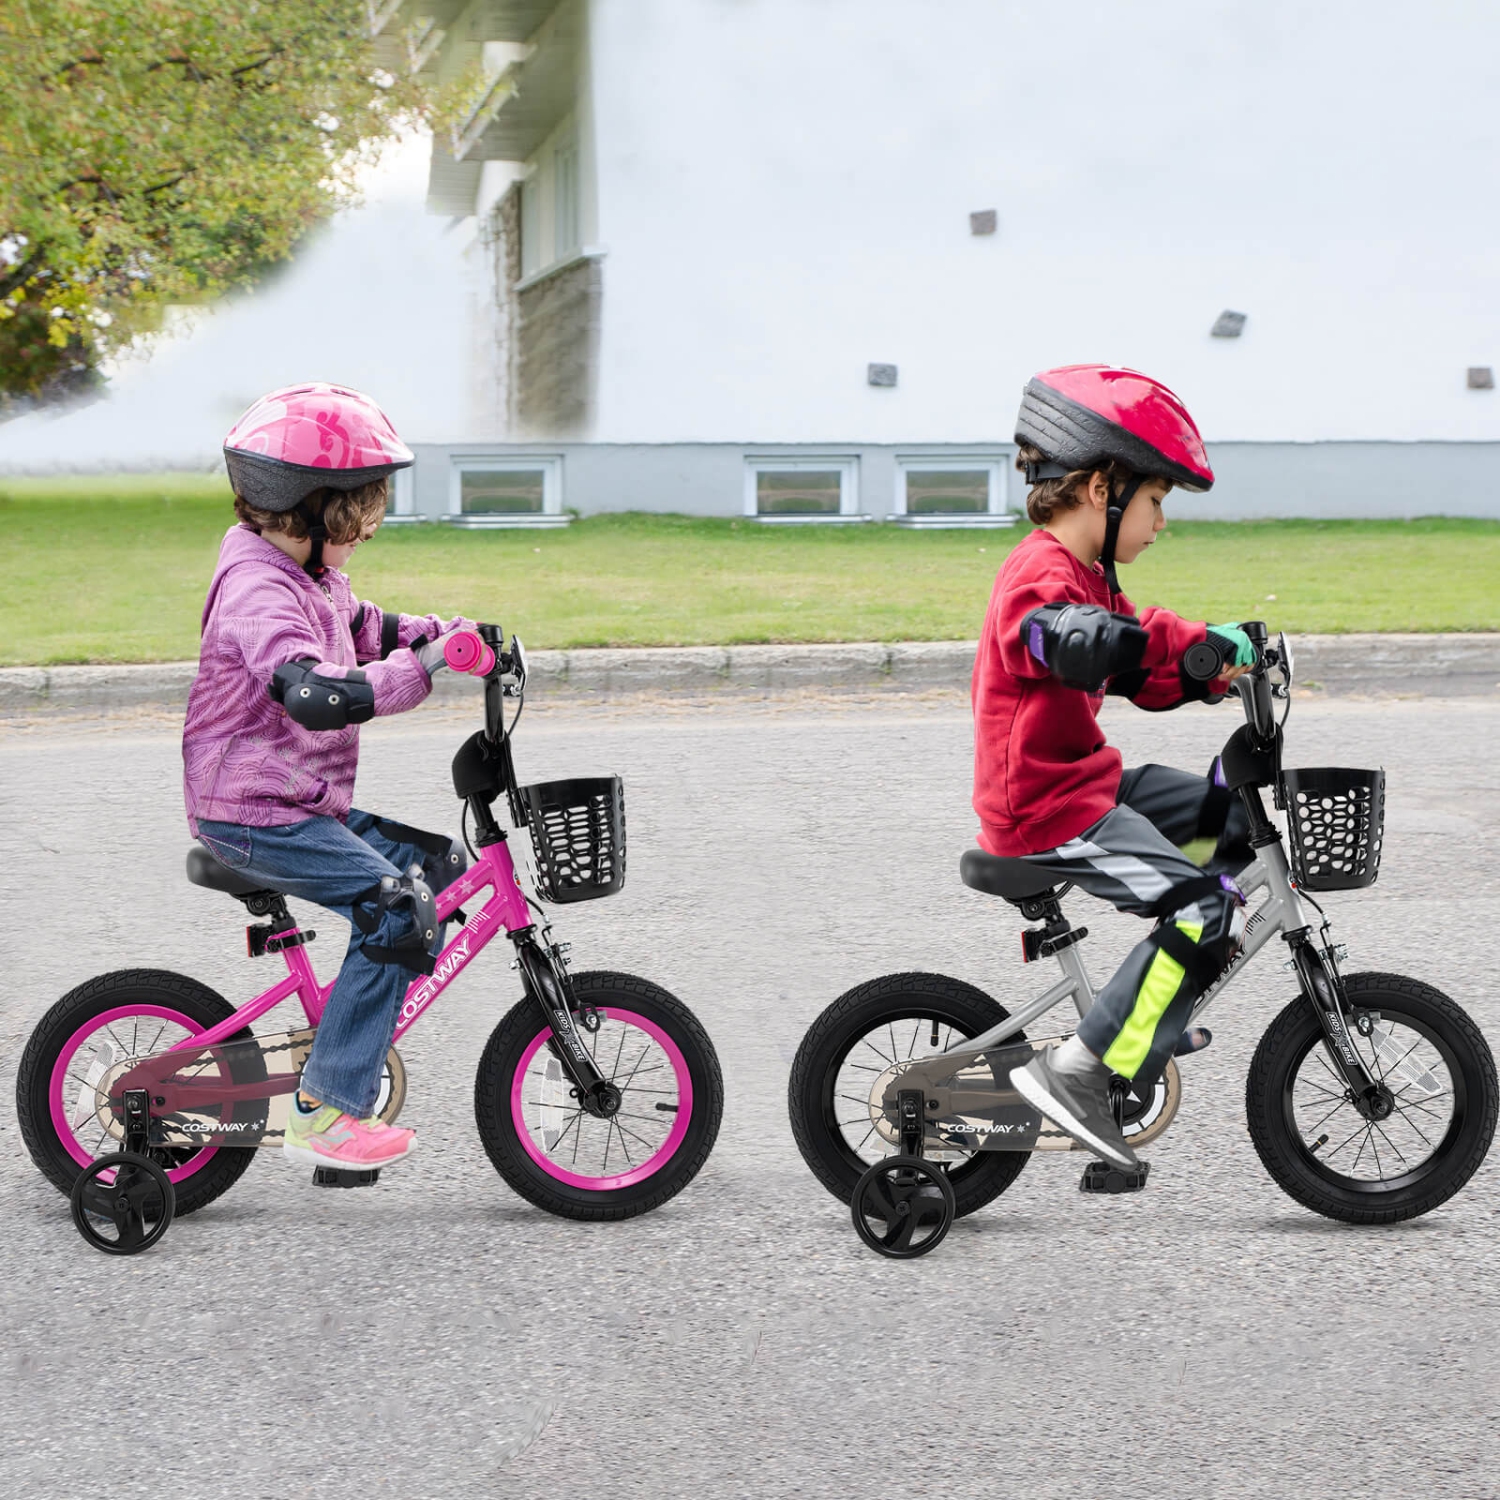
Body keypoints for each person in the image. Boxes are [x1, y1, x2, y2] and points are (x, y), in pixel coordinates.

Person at [971, 364, 1258, 1171]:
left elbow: (1146, 659)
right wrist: (1087, 638)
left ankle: (1155, 1002)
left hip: (1087, 783)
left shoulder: (1093, 578)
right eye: (1158, 500)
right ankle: (1085, 1071)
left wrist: (1218, 657)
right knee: (1202, 912)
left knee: (1232, 826)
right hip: (1047, 808)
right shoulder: (1041, 574)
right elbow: (1053, 634)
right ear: (1103, 488)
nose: (1162, 522)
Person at [183, 382, 476, 1173]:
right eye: (356, 526)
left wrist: (448, 638)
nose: (364, 541)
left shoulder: (307, 576)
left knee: (437, 871)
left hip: (294, 802)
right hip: (251, 814)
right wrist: (413, 676)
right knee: (396, 909)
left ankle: (344, 1037)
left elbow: (363, 625)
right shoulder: (256, 590)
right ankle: (328, 1108)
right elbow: (314, 692)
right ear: (311, 512)